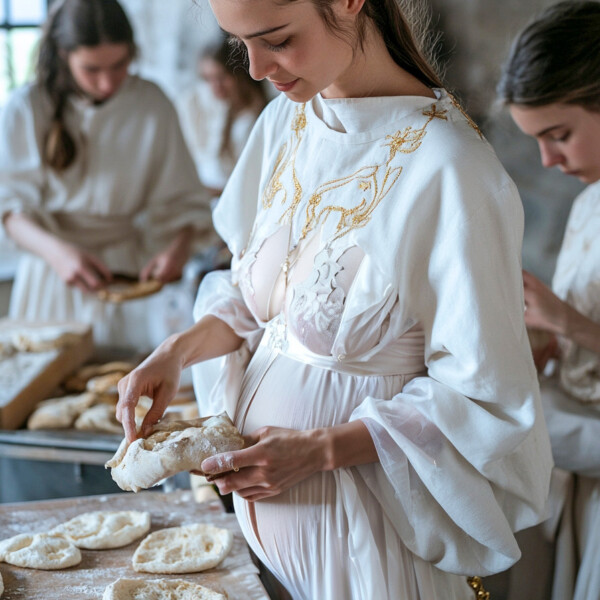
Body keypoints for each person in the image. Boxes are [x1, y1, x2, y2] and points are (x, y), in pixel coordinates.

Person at [117, 0, 553, 598]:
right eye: (240, 44)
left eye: (275, 38)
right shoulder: (285, 124)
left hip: (371, 547)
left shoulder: (451, 169)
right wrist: (175, 352)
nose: (254, 69)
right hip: (271, 552)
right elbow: (257, 304)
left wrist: (318, 451)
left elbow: (485, 397)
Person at [0, 0, 212, 503]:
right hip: (52, 274)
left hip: (128, 265)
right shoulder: (28, 107)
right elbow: (8, 209)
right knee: (47, 412)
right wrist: (58, 253)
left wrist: (178, 248)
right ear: (62, 55)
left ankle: (134, 505)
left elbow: (184, 201)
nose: (107, 81)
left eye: (120, 65)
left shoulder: (152, 104)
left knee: (128, 405)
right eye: (92, 69)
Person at [495, 2, 600, 599]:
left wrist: (570, 322)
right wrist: (549, 339)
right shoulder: (589, 202)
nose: (548, 161)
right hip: (580, 461)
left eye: (559, 135)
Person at [178, 37, 269, 198]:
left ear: (240, 74)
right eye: (208, 79)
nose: (215, 86)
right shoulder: (220, 110)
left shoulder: (258, 117)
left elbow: (254, 184)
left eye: (222, 77)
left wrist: (208, 191)